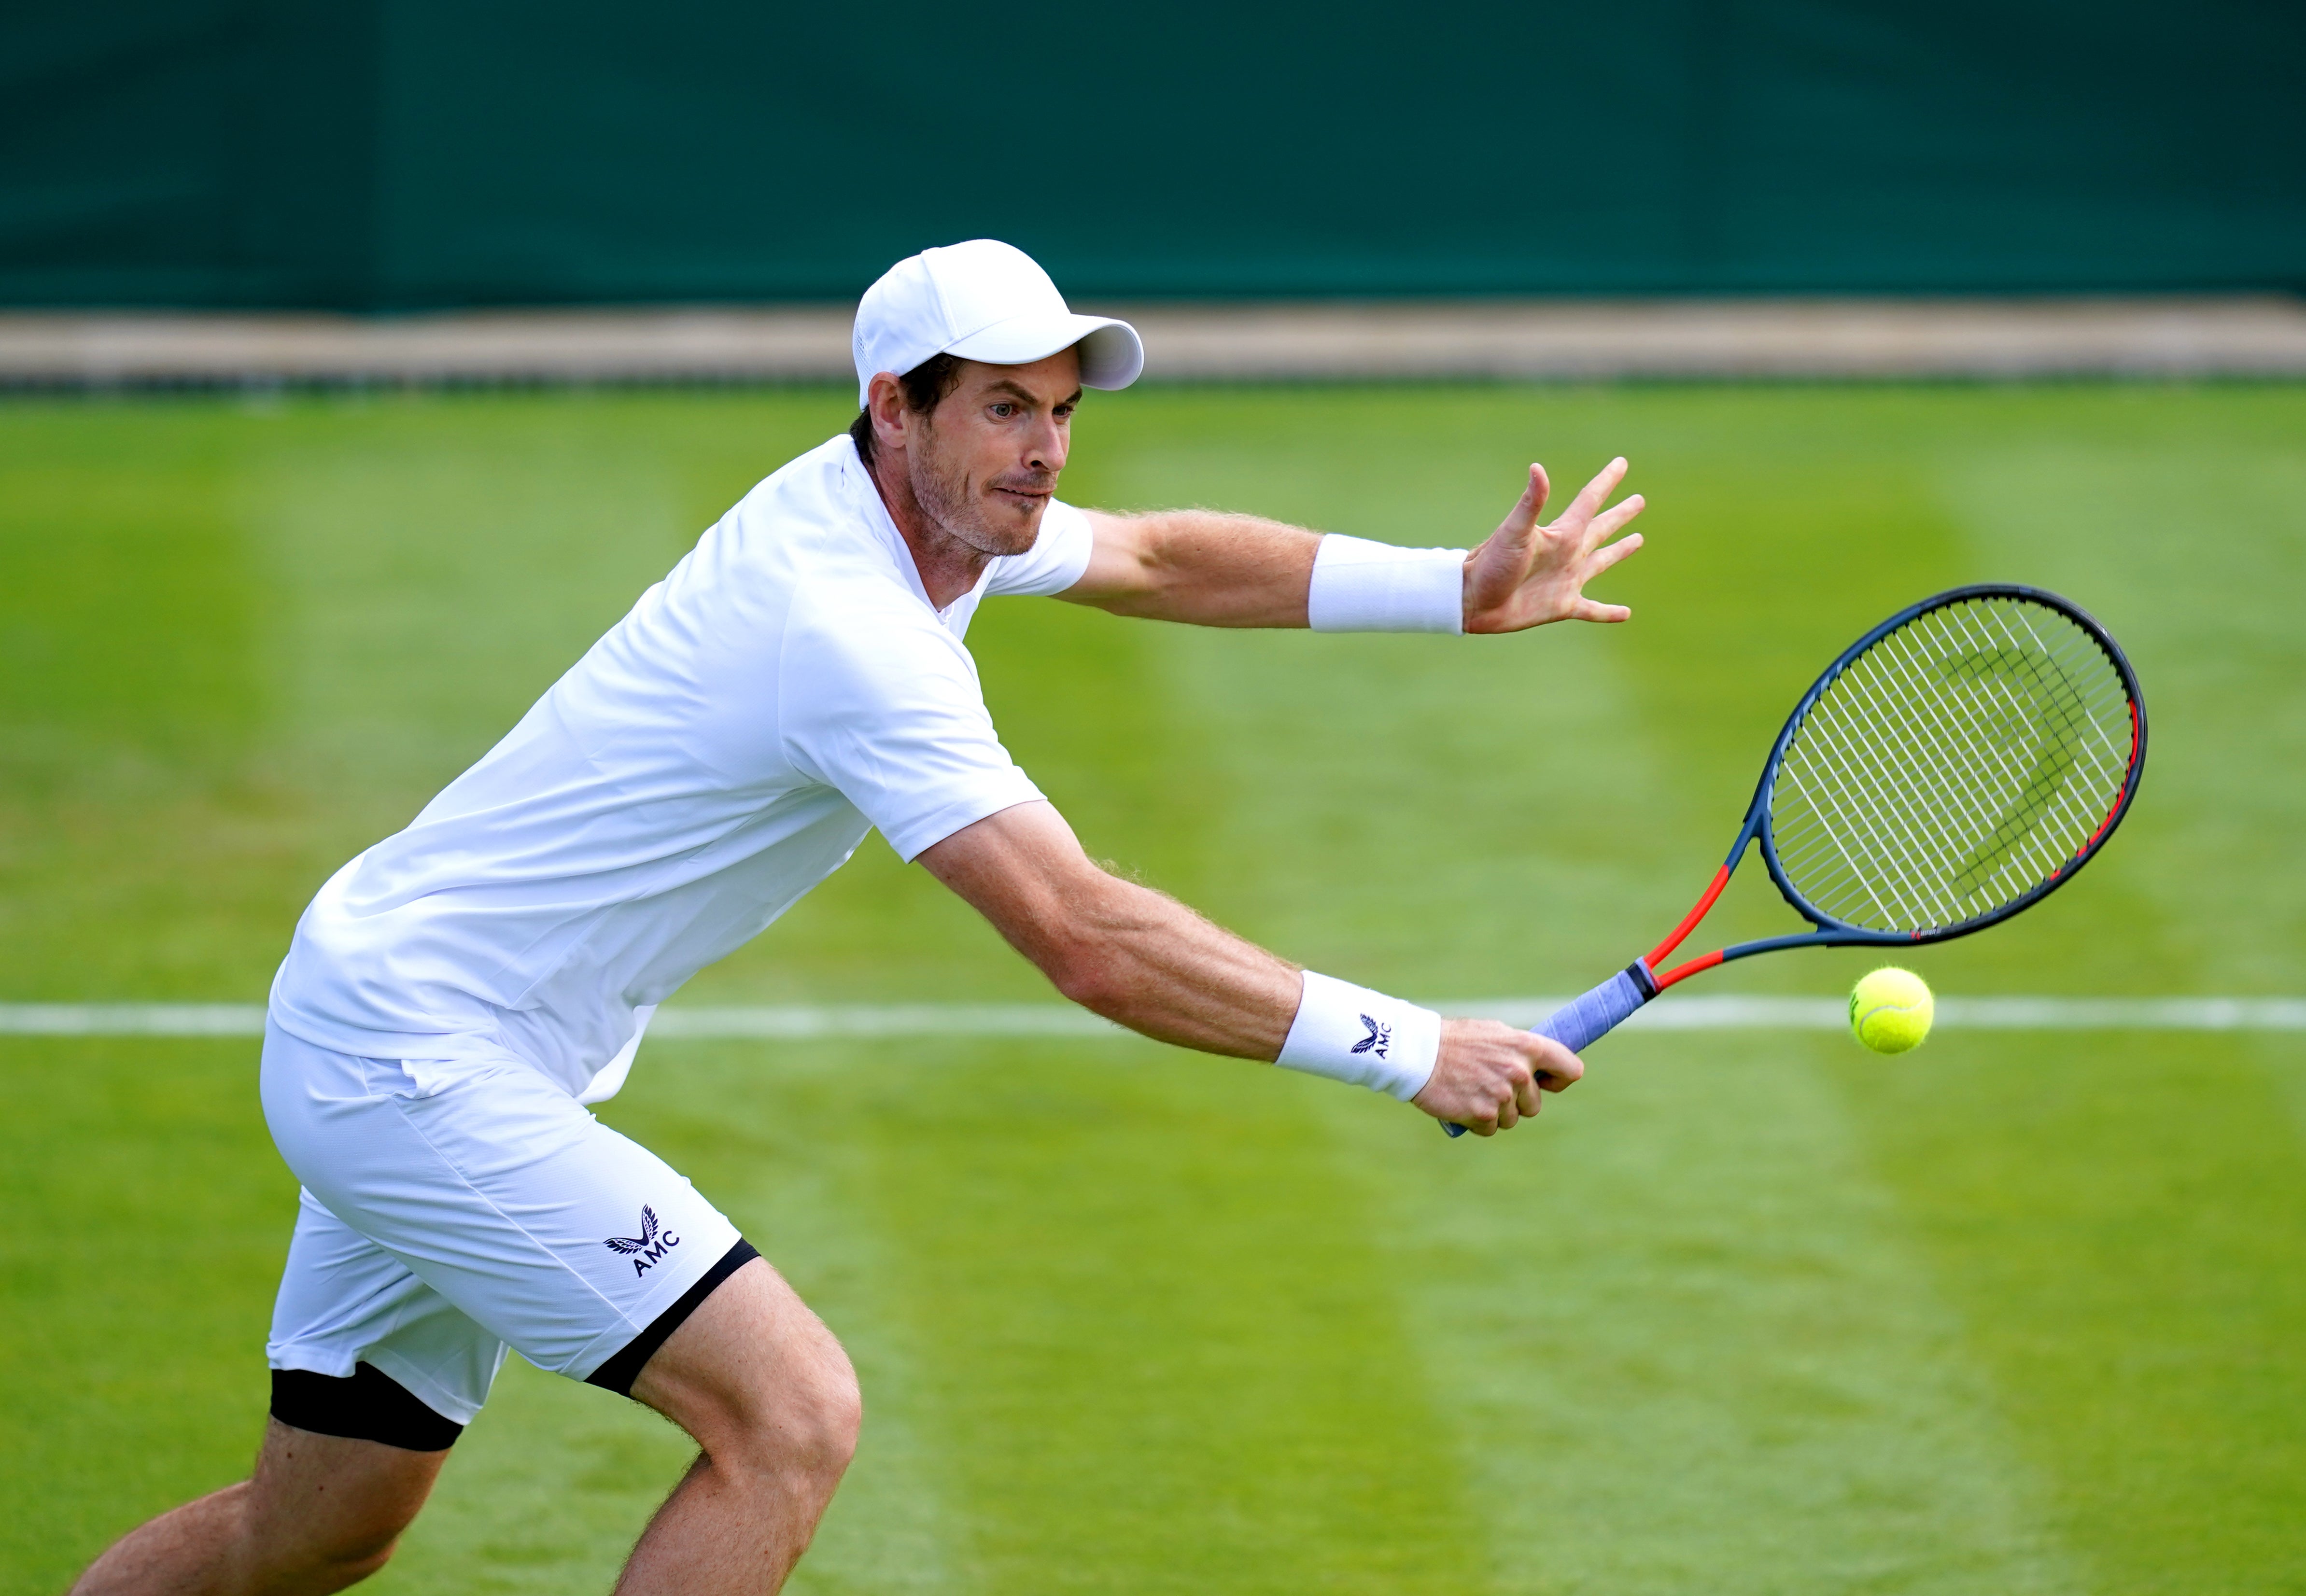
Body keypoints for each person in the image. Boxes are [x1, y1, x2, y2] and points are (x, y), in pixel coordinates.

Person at [71, 239, 1645, 1594]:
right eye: (1007, 408)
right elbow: (1087, 933)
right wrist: (1408, 1046)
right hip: (419, 1064)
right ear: (898, 406)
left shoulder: (920, 513)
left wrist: (1456, 585)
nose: (1046, 451)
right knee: (790, 1414)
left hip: (399, 1015)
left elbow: (1162, 555)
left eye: (1063, 411)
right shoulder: (845, 628)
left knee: (316, 1537)